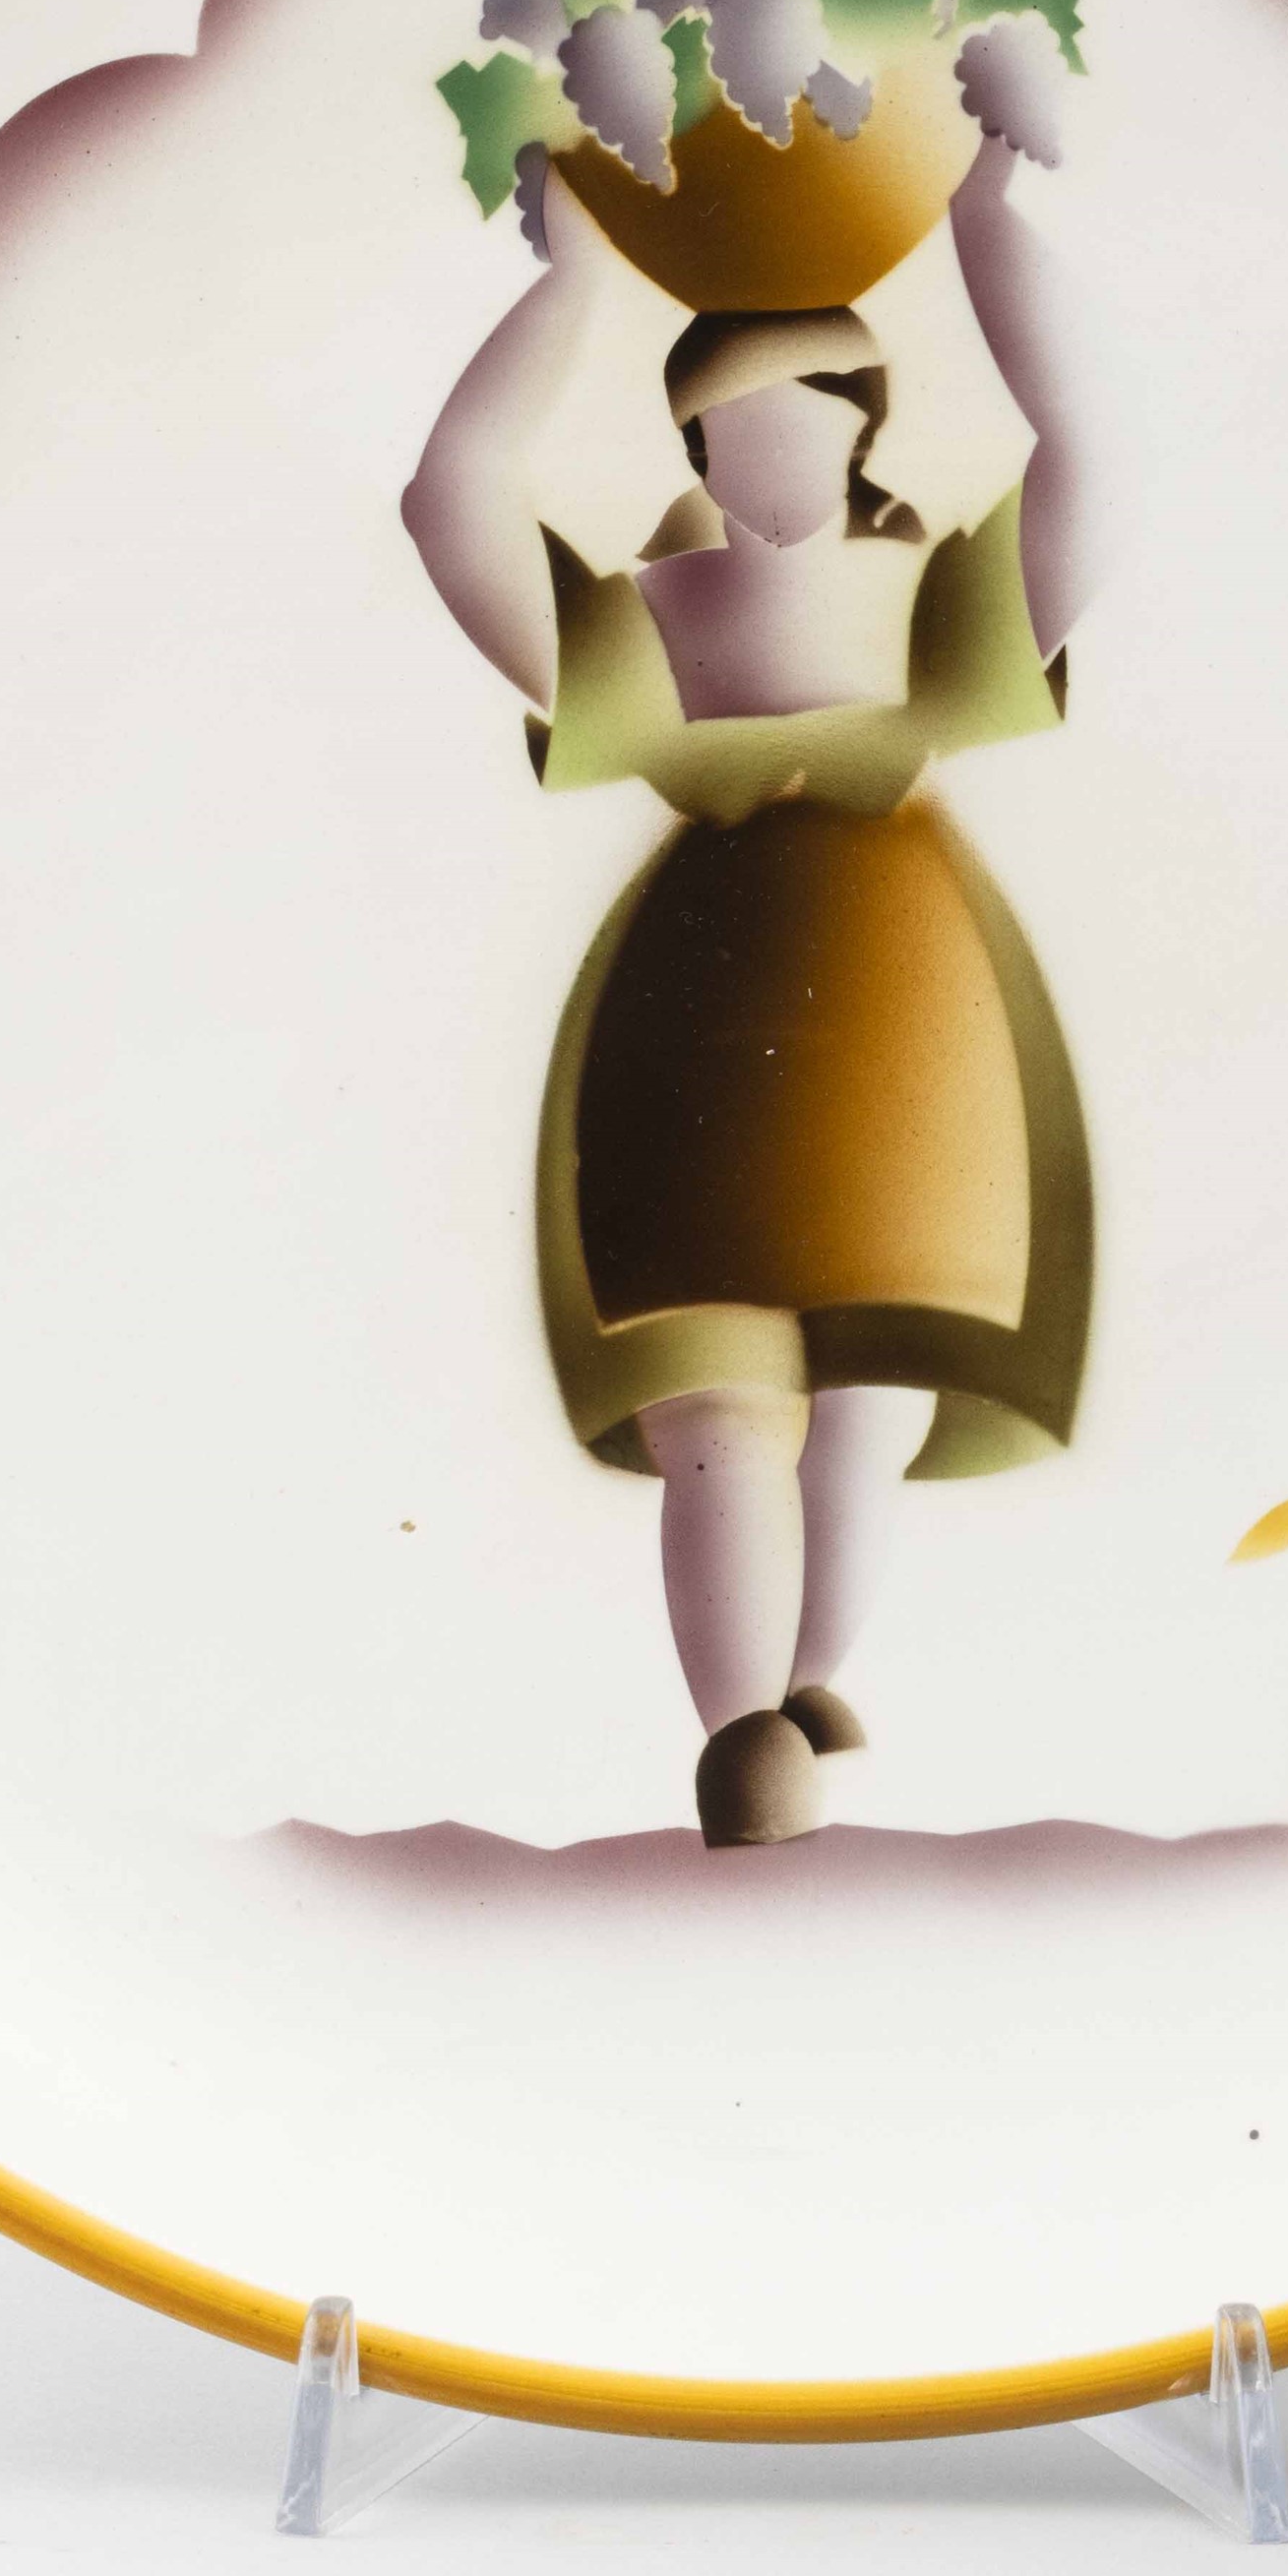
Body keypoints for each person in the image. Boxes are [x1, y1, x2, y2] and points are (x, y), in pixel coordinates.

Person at [402, 139, 1112, 1842]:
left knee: (868, 1390)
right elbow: (450, 499)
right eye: (731, 430)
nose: (768, 459)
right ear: (694, 449)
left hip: (905, 1024)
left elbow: (1097, 461)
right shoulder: (647, 631)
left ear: (864, 432)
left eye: (804, 421)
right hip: (696, 1025)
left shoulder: (936, 612)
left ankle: (804, 1684)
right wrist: (572, 283)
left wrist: (986, 224)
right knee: (714, 1397)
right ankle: (738, 1731)